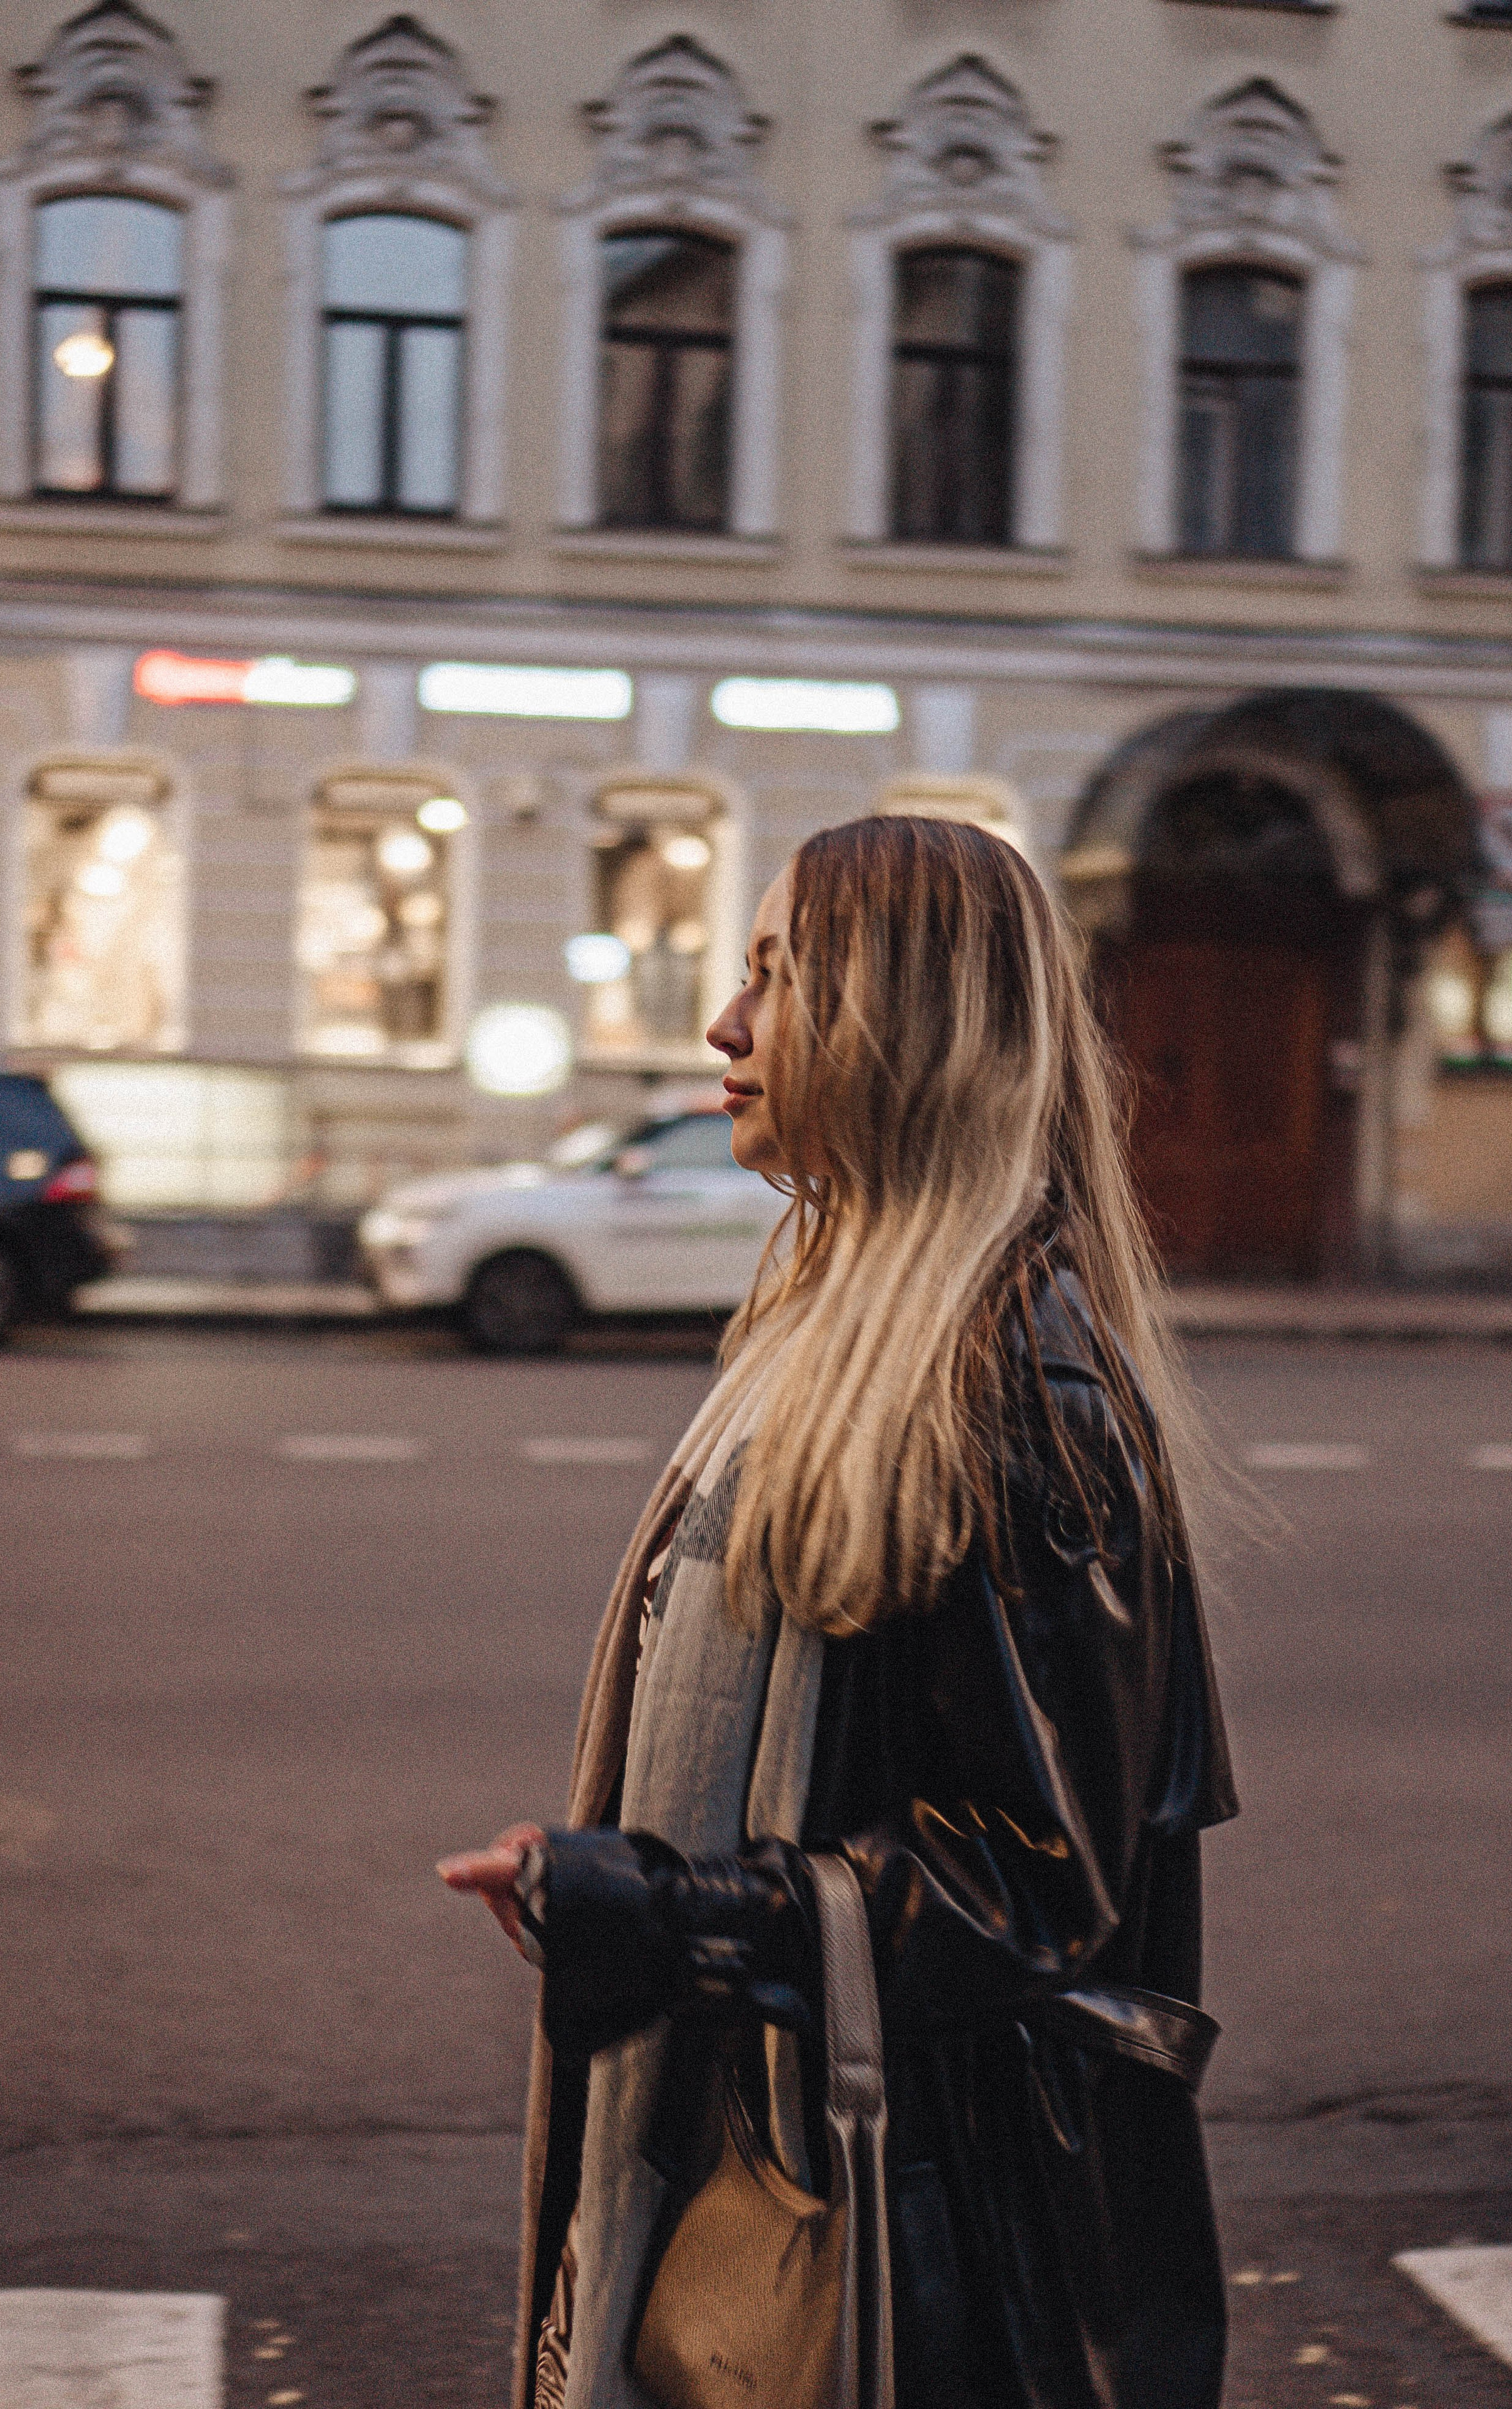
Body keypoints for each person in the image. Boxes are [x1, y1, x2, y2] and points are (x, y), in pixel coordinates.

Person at [439, 815, 1238, 2409]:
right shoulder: (854, 1324)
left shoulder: (1010, 1379)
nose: (723, 1029)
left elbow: (1029, 1885)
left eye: (776, 977)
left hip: (959, 2250)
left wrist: (666, 1910)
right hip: (874, 2162)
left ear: (909, 1028)